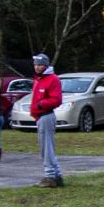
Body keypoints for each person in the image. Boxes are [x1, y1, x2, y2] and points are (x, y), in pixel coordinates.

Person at [30, 54, 64, 187]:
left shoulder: (52, 79)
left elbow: (56, 99)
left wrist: (40, 105)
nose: (38, 67)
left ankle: (50, 176)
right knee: (45, 147)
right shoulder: (39, 79)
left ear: (46, 65)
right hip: (40, 116)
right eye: (36, 65)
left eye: (40, 65)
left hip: (46, 115)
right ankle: (56, 175)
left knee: (47, 147)